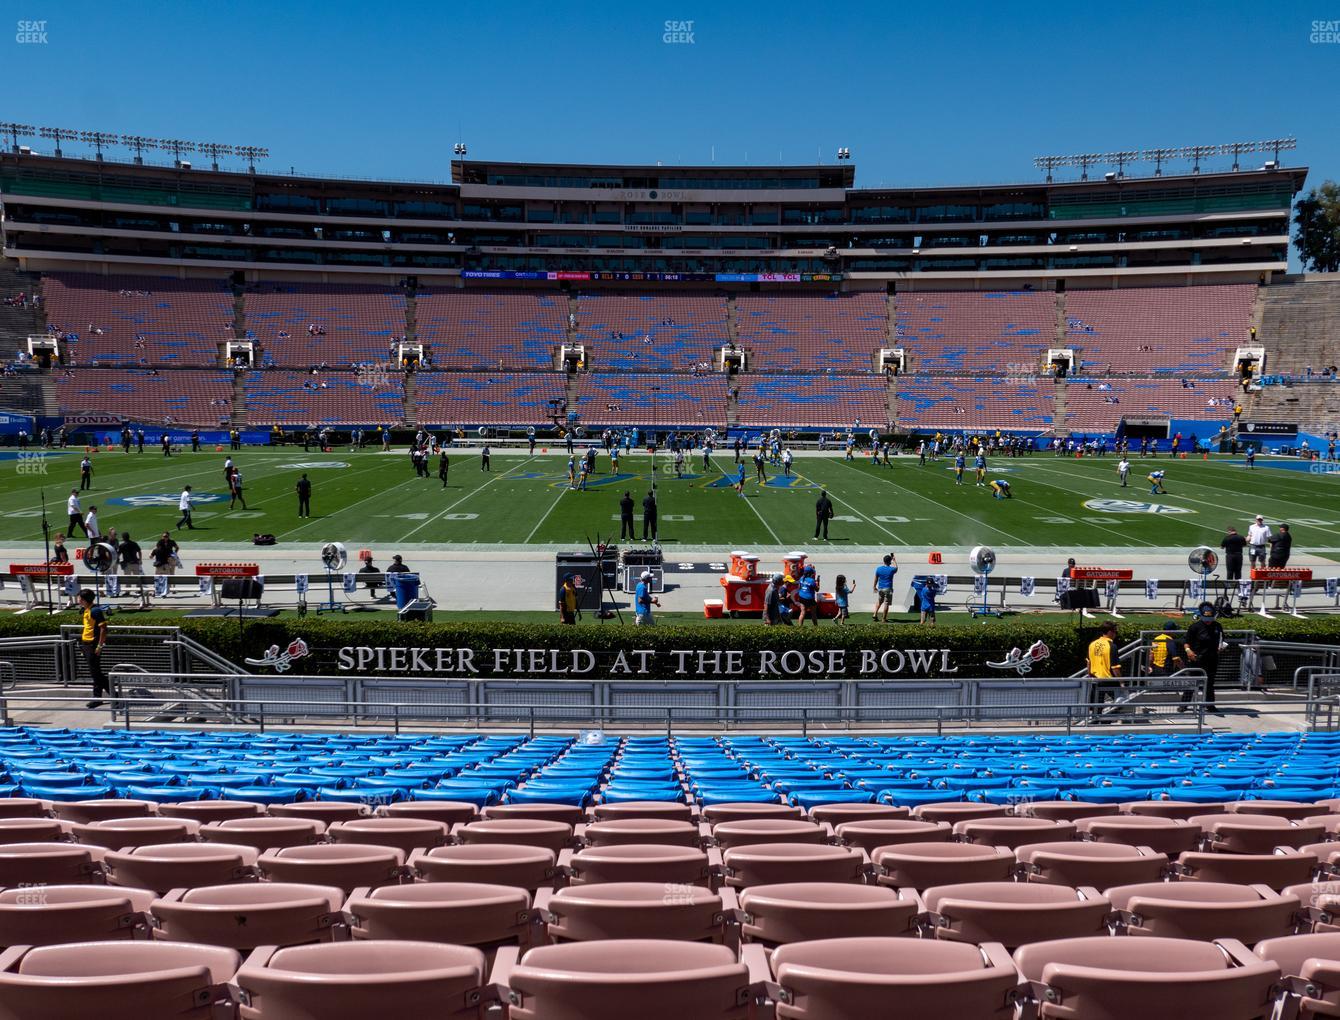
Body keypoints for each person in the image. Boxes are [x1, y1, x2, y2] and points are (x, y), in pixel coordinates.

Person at [1182, 601, 1225, 712]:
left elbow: (1222, 640)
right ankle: (1183, 705)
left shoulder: (1217, 626)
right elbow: (1186, 642)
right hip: (1197, 659)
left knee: (1209, 683)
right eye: (1206, 617)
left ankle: (1209, 705)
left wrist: (1221, 647)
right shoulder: (1195, 627)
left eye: (1210, 618)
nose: (1208, 621)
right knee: (1192, 682)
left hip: (1212, 659)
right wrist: (1188, 651)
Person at [76, 589, 109, 708]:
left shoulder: (95, 611)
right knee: (96, 673)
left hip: (92, 645)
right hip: (86, 645)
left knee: (96, 674)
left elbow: (104, 628)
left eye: (79, 598)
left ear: (84, 599)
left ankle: (112, 695)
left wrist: (99, 646)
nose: (78, 600)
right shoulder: (86, 610)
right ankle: (99, 697)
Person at [872, 554, 897, 623]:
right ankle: (884, 619)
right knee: (886, 604)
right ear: (890, 562)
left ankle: (875, 614)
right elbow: (896, 568)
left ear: (883, 561)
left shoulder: (879, 569)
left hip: (880, 588)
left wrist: (874, 586)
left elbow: (876, 578)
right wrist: (894, 560)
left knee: (879, 601)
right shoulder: (891, 569)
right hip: (888, 588)